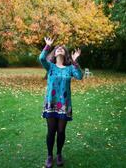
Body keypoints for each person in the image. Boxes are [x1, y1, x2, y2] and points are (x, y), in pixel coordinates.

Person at [39, 37, 83, 168]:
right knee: (51, 131)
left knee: (61, 131)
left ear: (65, 54)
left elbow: (80, 76)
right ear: (55, 53)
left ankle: (58, 154)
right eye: (57, 48)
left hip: (64, 104)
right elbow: (41, 58)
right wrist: (47, 46)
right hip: (51, 103)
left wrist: (75, 61)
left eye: (62, 49)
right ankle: (49, 156)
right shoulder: (50, 67)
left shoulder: (69, 68)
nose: (59, 49)